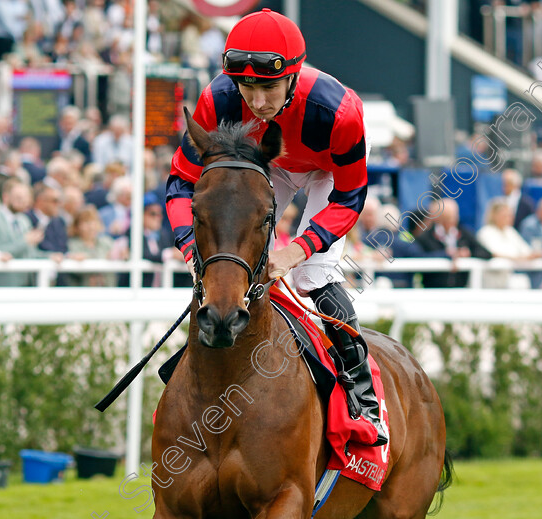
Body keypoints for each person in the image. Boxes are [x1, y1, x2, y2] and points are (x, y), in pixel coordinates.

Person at [166, 9, 386, 446]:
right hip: (266, 166)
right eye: (247, 86)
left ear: (292, 75)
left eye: (268, 86)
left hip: (325, 173)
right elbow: (180, 183)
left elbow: (349, 197)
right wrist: (194, 252)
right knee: (229, 261)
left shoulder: (338, 111)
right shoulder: (219, 98)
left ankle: (363, 396)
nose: (257, 101)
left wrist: (296, 250)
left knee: (310, 274)